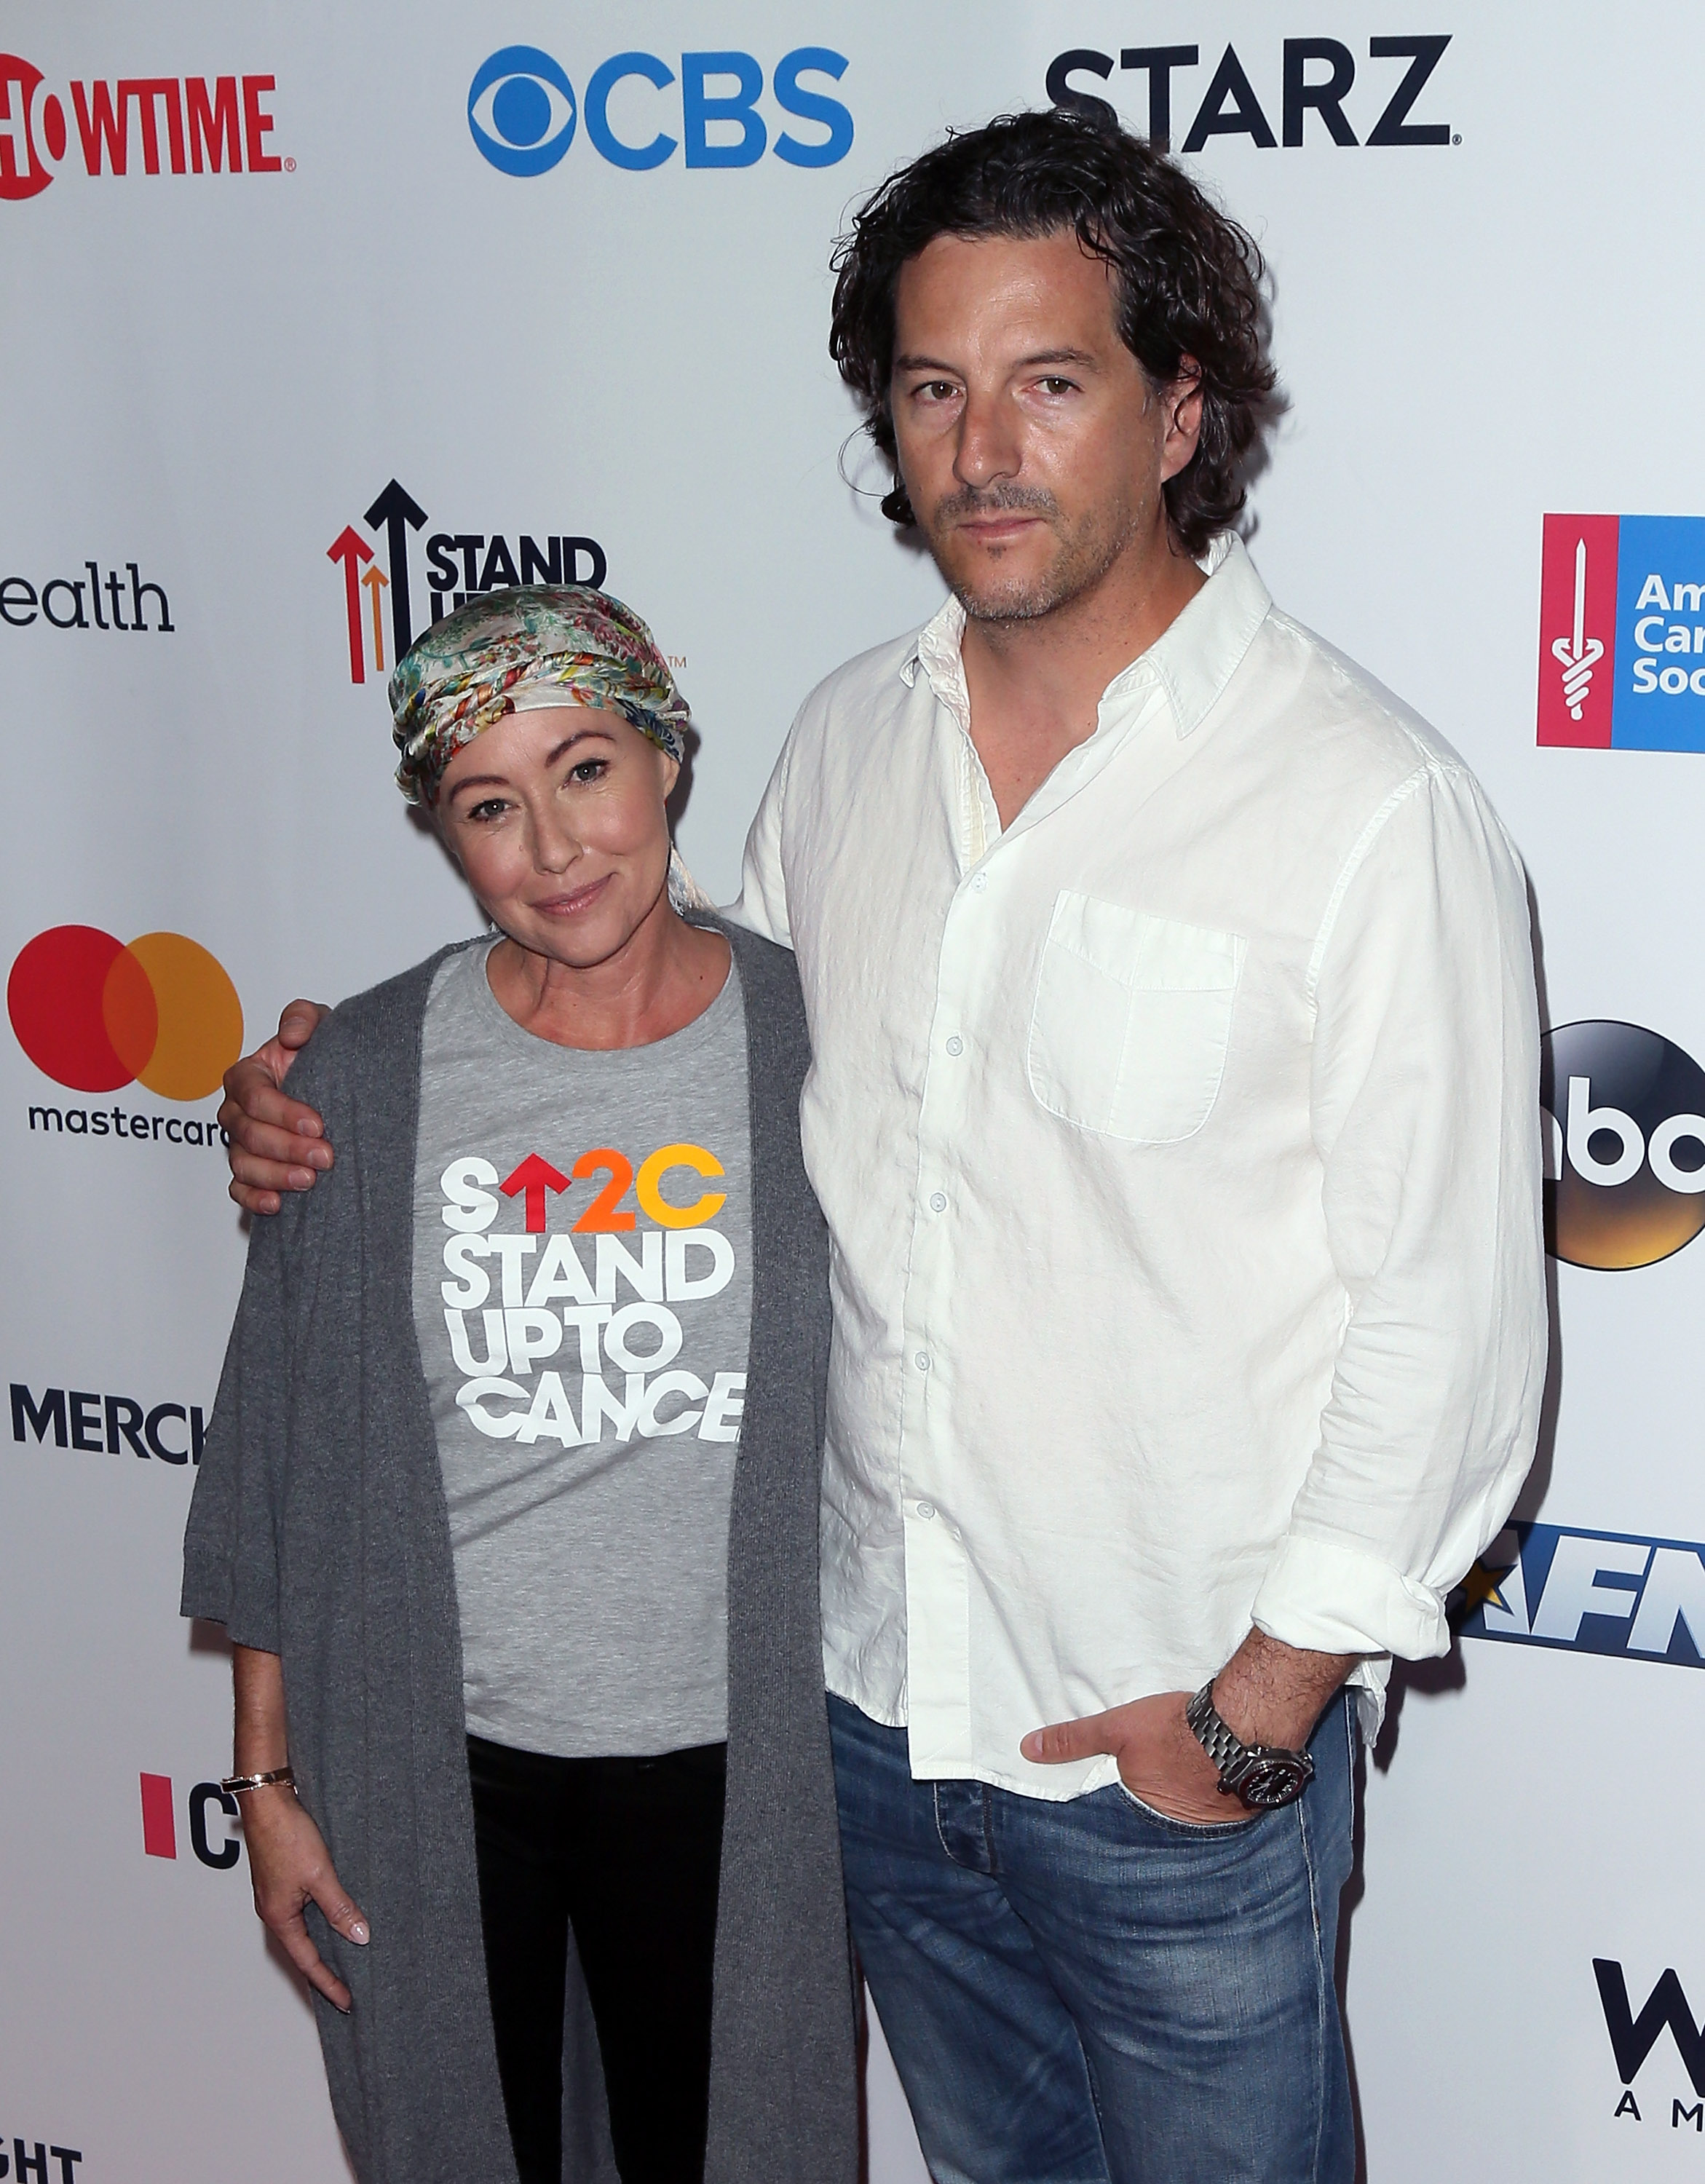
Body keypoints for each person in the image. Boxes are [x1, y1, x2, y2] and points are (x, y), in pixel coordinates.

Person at [220, 111, 1546, 2184]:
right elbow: (674, 1059)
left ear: (1179, 409)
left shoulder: (1363, 809)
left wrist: (1247, 1716)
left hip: (1161, 1767)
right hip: (858, 1743)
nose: (979, 447)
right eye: (930, 388)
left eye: (1049, 380)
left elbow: (1448, 1325)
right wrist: (326, 1091)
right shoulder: (843, 748)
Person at [183, 588, 858, 2184]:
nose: (554, 847)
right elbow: (287, 1459)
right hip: (439, 1764)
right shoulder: (354, 1076)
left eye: (585, 769)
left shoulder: (820, 1043)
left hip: (737, 1766)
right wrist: (268, 1784)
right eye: (490, 803)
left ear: (666, 761)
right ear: (442, 831)